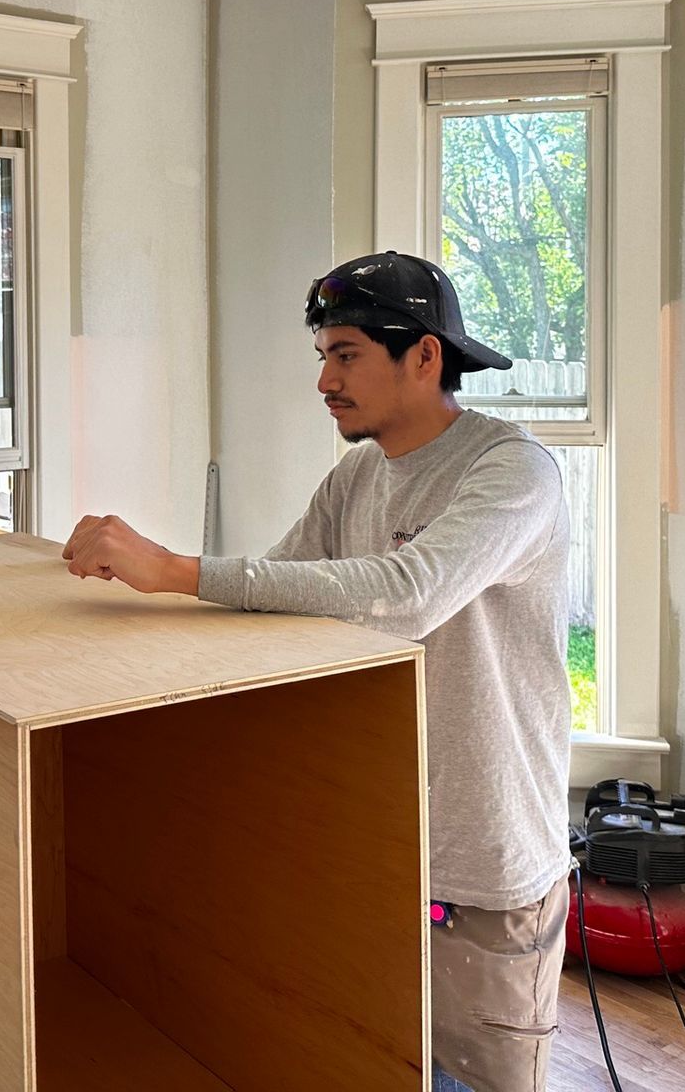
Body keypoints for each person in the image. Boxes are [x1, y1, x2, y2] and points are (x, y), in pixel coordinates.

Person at [61, 252, 572, 1092]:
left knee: (471, 1083)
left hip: (480, 861)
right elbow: (275, 601)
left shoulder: (513, 471)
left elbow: (408, 595)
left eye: (346, 355)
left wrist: (177, 567)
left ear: (425, 357)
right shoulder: (360, 474)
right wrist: (138, 592)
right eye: (323, 357)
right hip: (374, 842)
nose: (325, 380)